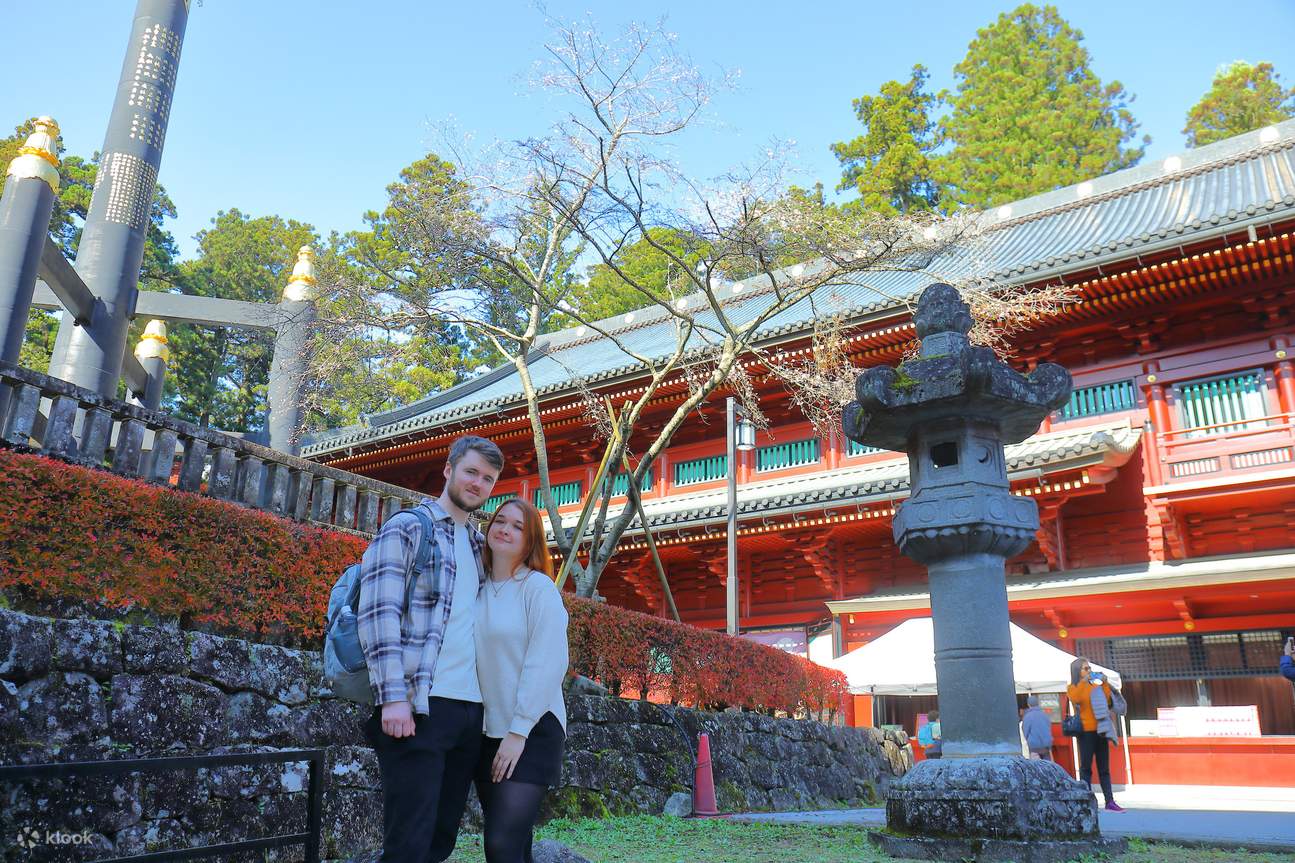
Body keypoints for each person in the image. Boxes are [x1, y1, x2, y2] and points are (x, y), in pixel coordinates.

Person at [357, 435, 504, 863]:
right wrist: (393, 699)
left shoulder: (480, 547)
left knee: (441, 840)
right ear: (449, 470)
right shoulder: (408, 527)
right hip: (419, 705)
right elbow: (378, 612)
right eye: (471, 472)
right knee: (408, 841)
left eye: (488, 479)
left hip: (469, 711)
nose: (478, 483)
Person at [475, 498, 570, 863]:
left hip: (531, 729)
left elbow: (547, 661)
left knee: (500, 844)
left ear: (531, 541)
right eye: (500, 521)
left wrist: (518, 732)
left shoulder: (537, 588)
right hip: (486, 731)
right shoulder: (477, 589)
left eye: (518, 526)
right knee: (514, 845)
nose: (505, 529)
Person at [1067, 657, 1123, 812]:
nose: (1089, 671)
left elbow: (1106, 698)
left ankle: (1109, 801)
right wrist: (1084, 681)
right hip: (1085, 732)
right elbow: (1077, 698)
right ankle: (1086, 801)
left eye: (1089, 668)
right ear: (1078, 671)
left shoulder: (1094, 686)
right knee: (1086, 768)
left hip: (1100, 730)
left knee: (1104, 768)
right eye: (1085, 668)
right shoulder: (1072, 687)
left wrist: (1104, 682)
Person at [1021, 694, 1053, 760]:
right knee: (1047, 767)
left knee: (1036, 768)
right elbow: (1049, 728)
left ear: (1028, 704)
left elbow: (1025, 732)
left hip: (1034, 747)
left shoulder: (1027, 717)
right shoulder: (1044, 715)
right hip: (1046, 746)